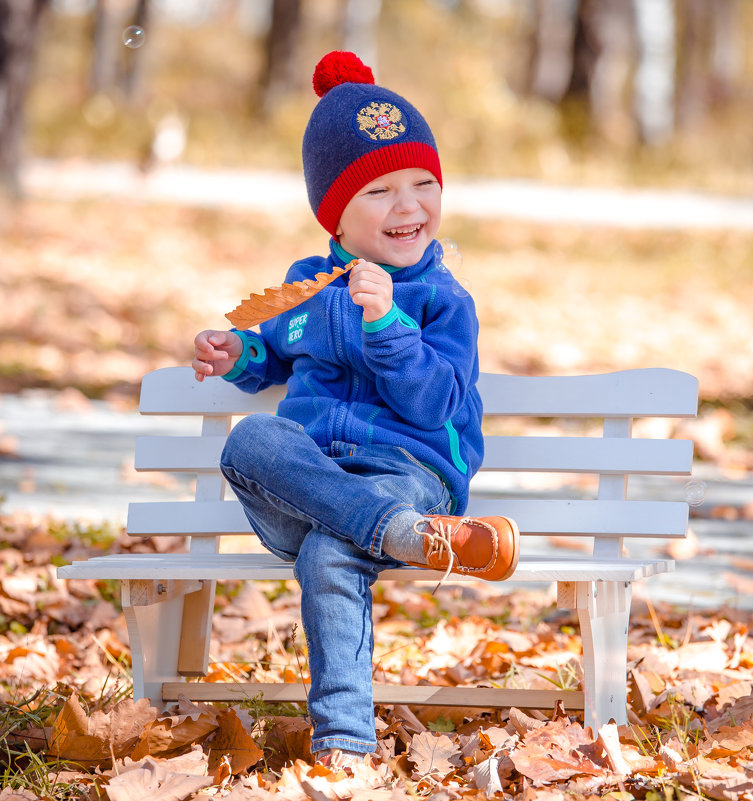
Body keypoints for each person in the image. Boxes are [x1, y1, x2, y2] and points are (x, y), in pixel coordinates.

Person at [190, 51, 519, 768]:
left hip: (405, 472)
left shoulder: (441, 300)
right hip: (306, 481)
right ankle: (403, 536)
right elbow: (272, 354)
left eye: (424, 183)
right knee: (249, 442)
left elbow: (439, 405)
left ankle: (342, 744)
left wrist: (387, 328)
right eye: (381, 191)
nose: (409, 206)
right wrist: (235, 354)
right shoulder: (305, 284)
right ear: (335, 212)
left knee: (329, 551)